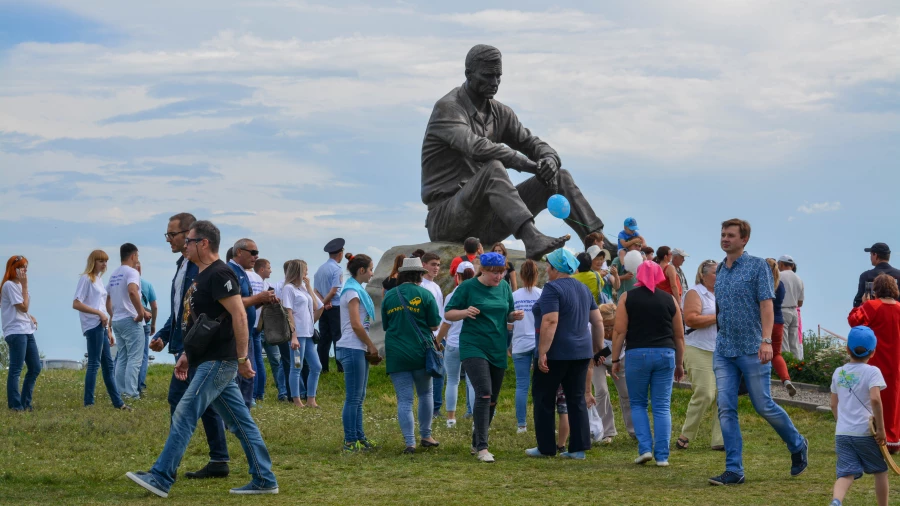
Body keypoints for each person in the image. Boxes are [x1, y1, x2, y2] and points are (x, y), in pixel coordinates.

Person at [126, 220, 278, 497]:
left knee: (185, 412)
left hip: (218, 361)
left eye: (189, 241)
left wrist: (244, 358)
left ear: (203, 243)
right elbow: (199, 322)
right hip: (204, 359)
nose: (185, 246)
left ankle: (161, 476)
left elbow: (239, 315)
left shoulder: (221, 274)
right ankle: (264, 478)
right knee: (241, 422)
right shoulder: (202, 275)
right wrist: (187, 353)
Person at [421, 44, 605, 260]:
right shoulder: (448, 108)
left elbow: (532, 142)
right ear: (468, 74)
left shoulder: (500, 112)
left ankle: (599, 244)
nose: (495, 82)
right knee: (493, 168)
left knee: (560, 176)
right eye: (488, 76)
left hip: (487, 220)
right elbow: (477, 147)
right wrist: (529, 166)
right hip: (448, 218)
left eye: (498, 76)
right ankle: (532, 238)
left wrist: (549, 160)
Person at [709, 218, 808, 486]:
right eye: (723, 234)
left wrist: (766, 341)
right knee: (725, 408)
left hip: (753, 348)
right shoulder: (721, 269)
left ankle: (798, 444)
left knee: (763, 404)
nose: (725, 238)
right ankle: (734, 470)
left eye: (730, 235)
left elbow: (767, 306)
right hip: (725, 349)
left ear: (744, 240)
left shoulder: (758, 267)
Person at [149, 212, 230, 479]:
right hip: (185, 346)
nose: (168, 240)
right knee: (212, 407)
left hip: (198, 348)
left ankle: (166, 467)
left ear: (190, 235)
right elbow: (180, 310)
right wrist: (164, 333)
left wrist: (188, 348)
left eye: (172, 234)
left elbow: (208, 311)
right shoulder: (181, 265)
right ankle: (219, 460)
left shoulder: (201, 267)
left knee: (185, 404)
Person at [445, 252, 524, 463]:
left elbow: (506, 312)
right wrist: (464, 312)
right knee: (484, 393)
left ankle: (475, 440)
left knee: (493, 400)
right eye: (494, 273)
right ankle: (482, 447)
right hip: (473, 346)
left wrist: (512, 316)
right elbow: (448, 313)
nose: (498, 277)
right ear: (483, 270)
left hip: (497, 347)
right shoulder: (467, 287)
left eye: (502, 273)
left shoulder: (505, 287)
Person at [527, 249, 604, 460]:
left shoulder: (552, 288)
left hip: (556, 353)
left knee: (544, 398)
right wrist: (597, 349)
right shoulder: (583, 288)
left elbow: (550, 320)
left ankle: (546, 447)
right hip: (581, 353)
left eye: (548, 265)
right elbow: (597, 321)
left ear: (555, 268)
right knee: (577, 398)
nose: (546, 269)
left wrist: (543, 351)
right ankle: (578, 448)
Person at [610, 261, 684, 466]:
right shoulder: (670, 299)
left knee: (638, 404)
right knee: (662, 406)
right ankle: (662, 456)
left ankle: (645, 449)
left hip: (637, 355)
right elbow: (679, 335)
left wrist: (615, 359)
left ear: (639, 275)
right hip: (666, 354)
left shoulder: (627, 297)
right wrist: (680, 363)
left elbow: (619, 331)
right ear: (660, 276)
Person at [381, 257, 442, 453]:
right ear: (419, 274)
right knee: (426, 394)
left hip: (396, 353)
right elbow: (434, 325)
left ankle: (410, 442)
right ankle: (426, 435)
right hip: (420, 352)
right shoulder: (425, 294)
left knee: (404, 399)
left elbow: (386, 325)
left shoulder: (389, 296)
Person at [828, 326, 890, 506]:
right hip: (865, 432)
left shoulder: (838, 372)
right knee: (880, 470)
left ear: (847, 349)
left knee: (846, 473)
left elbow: (833, 404)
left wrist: (842, 423)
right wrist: (881, 429)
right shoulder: (872, 372)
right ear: (873, 352)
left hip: (842, 433)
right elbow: (875, 400)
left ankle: (836, 501)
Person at [848, 273, 900, 454]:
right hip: (896, 361)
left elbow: (854, 321)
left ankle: (873, 435)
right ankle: (892, 438)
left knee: (872, 397)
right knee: (893, 400)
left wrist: (862, 303)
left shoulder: (872, 306)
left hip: (875, 359)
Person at [72, 250, 129, 410]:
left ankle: (118, 403)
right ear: (93, 262)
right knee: (94, 364)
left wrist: (108, 330)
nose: (104, 264)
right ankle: (89, 403)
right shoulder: (86, 279)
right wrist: (97, 313)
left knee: (108, 365)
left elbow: (102, 306)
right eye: (100, 261)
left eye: (105, 261)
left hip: (102, 326)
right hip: (93, 325)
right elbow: (76, 303)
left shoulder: (98, 280)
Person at [676, 260, 723, 451]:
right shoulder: (695, 293)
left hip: (721, 350)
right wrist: (718, 317)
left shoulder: (722, 293)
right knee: (705, 393)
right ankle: (686, 434)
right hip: (698, 348)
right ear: (703, 275)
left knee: (723, 396)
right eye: (715, 273)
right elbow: (691, 319)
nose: (718, 276)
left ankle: (720, 440)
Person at [336, 253, 379, 452]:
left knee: (359, 397)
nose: (372, 273)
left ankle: (360, 437)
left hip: (356, 347)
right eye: (370, 269)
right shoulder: (352, 292)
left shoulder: (356, 290)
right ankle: (350, 440)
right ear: (361, 271)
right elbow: (356, 325)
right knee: (353, 398)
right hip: (352, 346)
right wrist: (371, 345)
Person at [228, 238, 278, 407]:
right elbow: (232, 304)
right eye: (253, 253)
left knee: (247, 376)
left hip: (246, 330)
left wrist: (261, 302)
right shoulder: (231, 272)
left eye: (257, 253)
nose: (256, 257)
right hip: (234, 333)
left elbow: (245, 304)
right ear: (239, 252)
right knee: (241, 376)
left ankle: (244, 409)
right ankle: (240, 414)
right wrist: (258, 297)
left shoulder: (243, 273)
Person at [436, 261, 477, 429]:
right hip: (472, 343)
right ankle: (476, 420)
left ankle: (451, 419)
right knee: (472, 382)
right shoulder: (477, 295)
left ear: (457, 276)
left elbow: (445, 323)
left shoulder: (451, 296)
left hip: (453, 343)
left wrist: (438, 340)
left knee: (452, 381)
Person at [106, 243, 150, 400]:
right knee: (135, 358)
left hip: (117, 320)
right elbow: (132, 291)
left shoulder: (114, 274)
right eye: (137, 256)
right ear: (133, 256)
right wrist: (141, 313)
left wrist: (113, 315)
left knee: (122, 356)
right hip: (130, 319)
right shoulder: (132, 272)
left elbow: (108, 299)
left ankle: (119, 392)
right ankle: (131, 393)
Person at [282, 260, 324, 408]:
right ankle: (297, 400)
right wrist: (293, 336)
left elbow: (317, 306)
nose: (307, 272)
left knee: (316, 366)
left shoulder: (302, 289)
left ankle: (311, 399)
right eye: (305, 270)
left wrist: (309, 287)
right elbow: (288, 313)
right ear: (298, 271)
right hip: (298, 335)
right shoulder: (288, 288)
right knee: (296, 367)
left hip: (308, 334)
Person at [2, 255, 41, 411]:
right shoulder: (9, 285)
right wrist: (25, 286)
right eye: (22, 267)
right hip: (16, 331)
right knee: (16, 369)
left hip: (26, 329)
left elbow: (24, 309)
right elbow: (22, 307)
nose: (25, 270)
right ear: (14, 269)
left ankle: (25, 403)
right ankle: (15, 406)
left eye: (26, 267)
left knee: (35, 367)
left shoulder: (19, 285)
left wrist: (29, 317)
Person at [592, 303, 634, 443]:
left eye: (612, 326)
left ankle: (634, 431)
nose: (609, 330)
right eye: (606, 326)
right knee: (601, 391)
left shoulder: (624, 327)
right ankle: (606, 431)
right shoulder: (593, 328)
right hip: (598, 361)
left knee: (627, 392)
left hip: (620, 358)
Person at [510, 259, 542, 434]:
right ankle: (541, 422)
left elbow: (508, 321)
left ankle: (521, 425)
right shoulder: (542, 294)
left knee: (522, 385)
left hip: (520, 344)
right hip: (538, 344)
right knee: (541, 386)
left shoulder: (514, 296)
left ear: (521, 275)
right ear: (537, 275)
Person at [419, 252, 446, 418]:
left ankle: (436, 407)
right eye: (433, 264)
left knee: (439, 372)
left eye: (438, 265)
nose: (436, 268)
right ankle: (431, 407)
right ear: (423, 265)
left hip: (438, 334)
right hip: (428, 335)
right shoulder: (421, 286)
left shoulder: (436, 287)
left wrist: (443, 335)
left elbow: (441, 313)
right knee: (430, 372)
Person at [315, 238, 346, 373]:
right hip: (335, 307)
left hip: (323, 308)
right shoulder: (337, 269)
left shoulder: (320, 269)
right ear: (340, 253)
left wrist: (322, 303)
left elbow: (315, 290)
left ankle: (323, 367)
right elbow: (334, 290)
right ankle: (340, 367)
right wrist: (326, 302)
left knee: (324, 338)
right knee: (338, 337)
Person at [766, 258, 797, 397]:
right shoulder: (780, 285)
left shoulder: (762, 284)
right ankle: (786, 380)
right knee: (776, 354)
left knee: (757, 351)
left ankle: (760, 382)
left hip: (764, 322)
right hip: (778, 321)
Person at [247, 258, 269, 403]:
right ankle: (259, 393)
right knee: (258, 359)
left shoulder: (244, 276)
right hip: (258, 321)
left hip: (248, 321)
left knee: (249, 358)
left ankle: (251, 395)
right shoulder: (258, 278)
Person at [252, 259, 275, 401]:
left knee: (253, 359)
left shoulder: (252, 281)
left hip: (252, 324)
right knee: (258, 360)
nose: (270, 270)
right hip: (261, 325)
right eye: (269, 267)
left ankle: (254, 394)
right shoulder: (266, 285)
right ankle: (259, 393)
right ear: (261, 269)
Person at [854, 243, 900, 308]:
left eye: (871, 254)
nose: (870, 257)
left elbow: (857, 303)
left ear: (875, 255)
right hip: (896, 315)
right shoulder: (898, 275)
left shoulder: (866, 276)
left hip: (872, 316)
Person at [136, 261, 157, 395]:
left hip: (130, 321)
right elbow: (154, 306)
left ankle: (123, 385)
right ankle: (140, 385)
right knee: (143, 356)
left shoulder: (126, 284)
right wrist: (153, 324)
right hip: (145, 323)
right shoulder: (147, 285)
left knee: (124, 355)